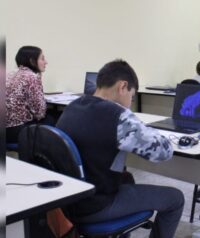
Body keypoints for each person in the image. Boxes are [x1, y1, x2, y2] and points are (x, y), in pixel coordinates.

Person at [56, 59, 184, 238]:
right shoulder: (118, 117)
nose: (130, 103)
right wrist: (141, 125)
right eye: (131, 97)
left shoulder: (73, 107)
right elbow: (164, 152)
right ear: (123, 86)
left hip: (67, 201)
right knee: (175, 198)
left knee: (127, 178)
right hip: (95, 204)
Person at [6, 46, 54, 143]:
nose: (46, 62)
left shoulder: (10, 74)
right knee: (54, 118)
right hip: (16, 131)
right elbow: (40, 113)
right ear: (32, 61)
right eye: (42, 58)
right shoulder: (31, 77)